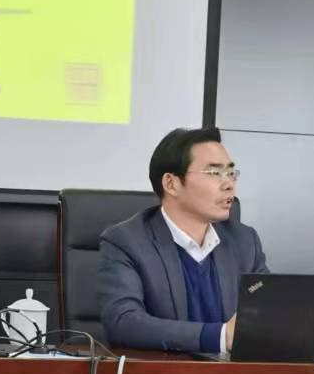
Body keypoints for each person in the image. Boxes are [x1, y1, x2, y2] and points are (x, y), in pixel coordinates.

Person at [96, 126, 268, 353]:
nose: (229, 184)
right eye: (214, 172)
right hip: (163, 372)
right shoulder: (126, 242)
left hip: (235, 373)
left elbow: (268, 312)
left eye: (231, 173)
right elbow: (124, 323)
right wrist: (219, 336)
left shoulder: (244, 241)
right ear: (171, 184)